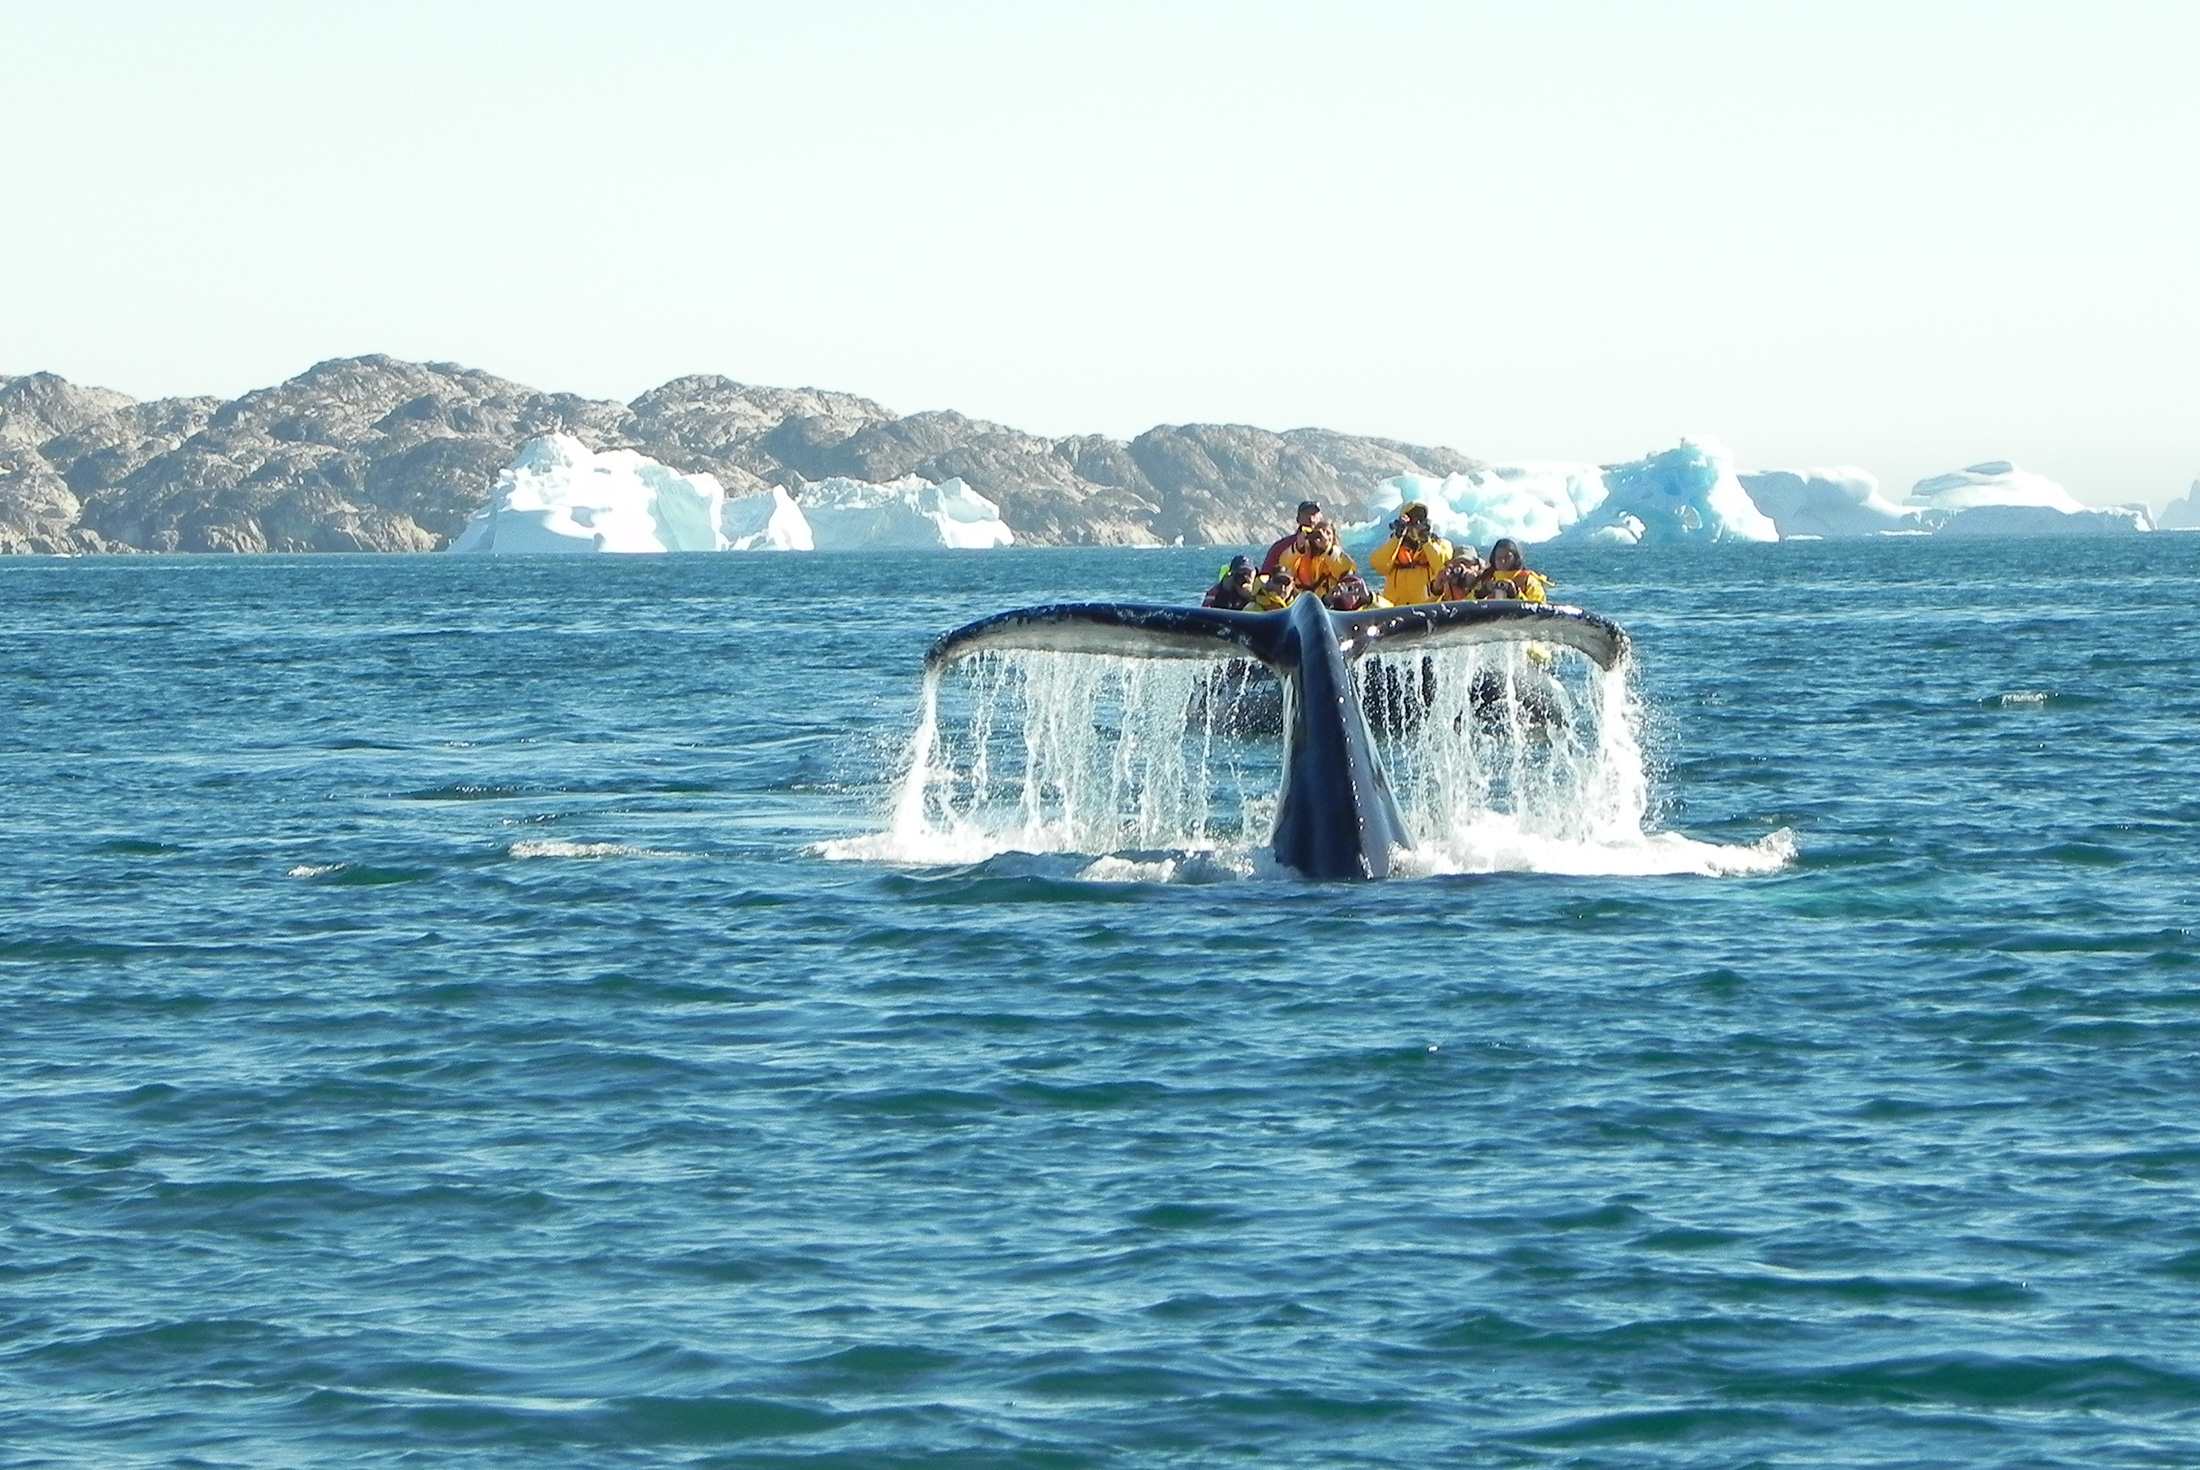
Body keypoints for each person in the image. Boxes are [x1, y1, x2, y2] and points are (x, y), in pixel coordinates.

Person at [1367, 501, 1453, 606]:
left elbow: (1442, 567)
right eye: (1412, 520)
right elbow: (1379, 565)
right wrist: (1398, 536)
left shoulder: (1440, 544)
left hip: (1426, 606)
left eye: (1420, 520)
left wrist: (1425, 541)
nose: (1416, 524)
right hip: (1395, 608)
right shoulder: (1393, 544)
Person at [1277, 521, 1355, 599]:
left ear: (1334, 537)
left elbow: (1347, 570)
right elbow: (1283, 564)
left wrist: (1327, 549)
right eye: (1318, 533)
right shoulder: (1301, 555)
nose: (1323, 536)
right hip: (1302, 602)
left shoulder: (1338, 555)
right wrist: (1298, 547)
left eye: (1328, 533)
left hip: (1328, 603)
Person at [1471, 538, 1549, 602]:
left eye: (1507, 557)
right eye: (1499, 558)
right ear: (1493, 559)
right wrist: (1481, 594)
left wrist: (1516, 595)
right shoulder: (1485, 579)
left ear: (1515, 558)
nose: (1502, 561)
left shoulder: (1527, 580)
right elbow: (1466, 603)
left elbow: (1538, 607)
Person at [1260, 501, 1326, 575]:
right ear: (1298, 519)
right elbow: (1265, 576)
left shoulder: (1331, 546)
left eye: (1314, 514)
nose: (1311, 519)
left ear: (1321, 518)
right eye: (1306, 514)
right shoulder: (1281, 547)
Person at [1324, 575, 1389, 611]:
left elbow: (1390, 612)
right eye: (1345, 588)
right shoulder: (1332, 612)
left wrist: (1369, 598)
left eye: (1352, 588)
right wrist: (1326, 599)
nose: (1349, 593)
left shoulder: (1368, 610)